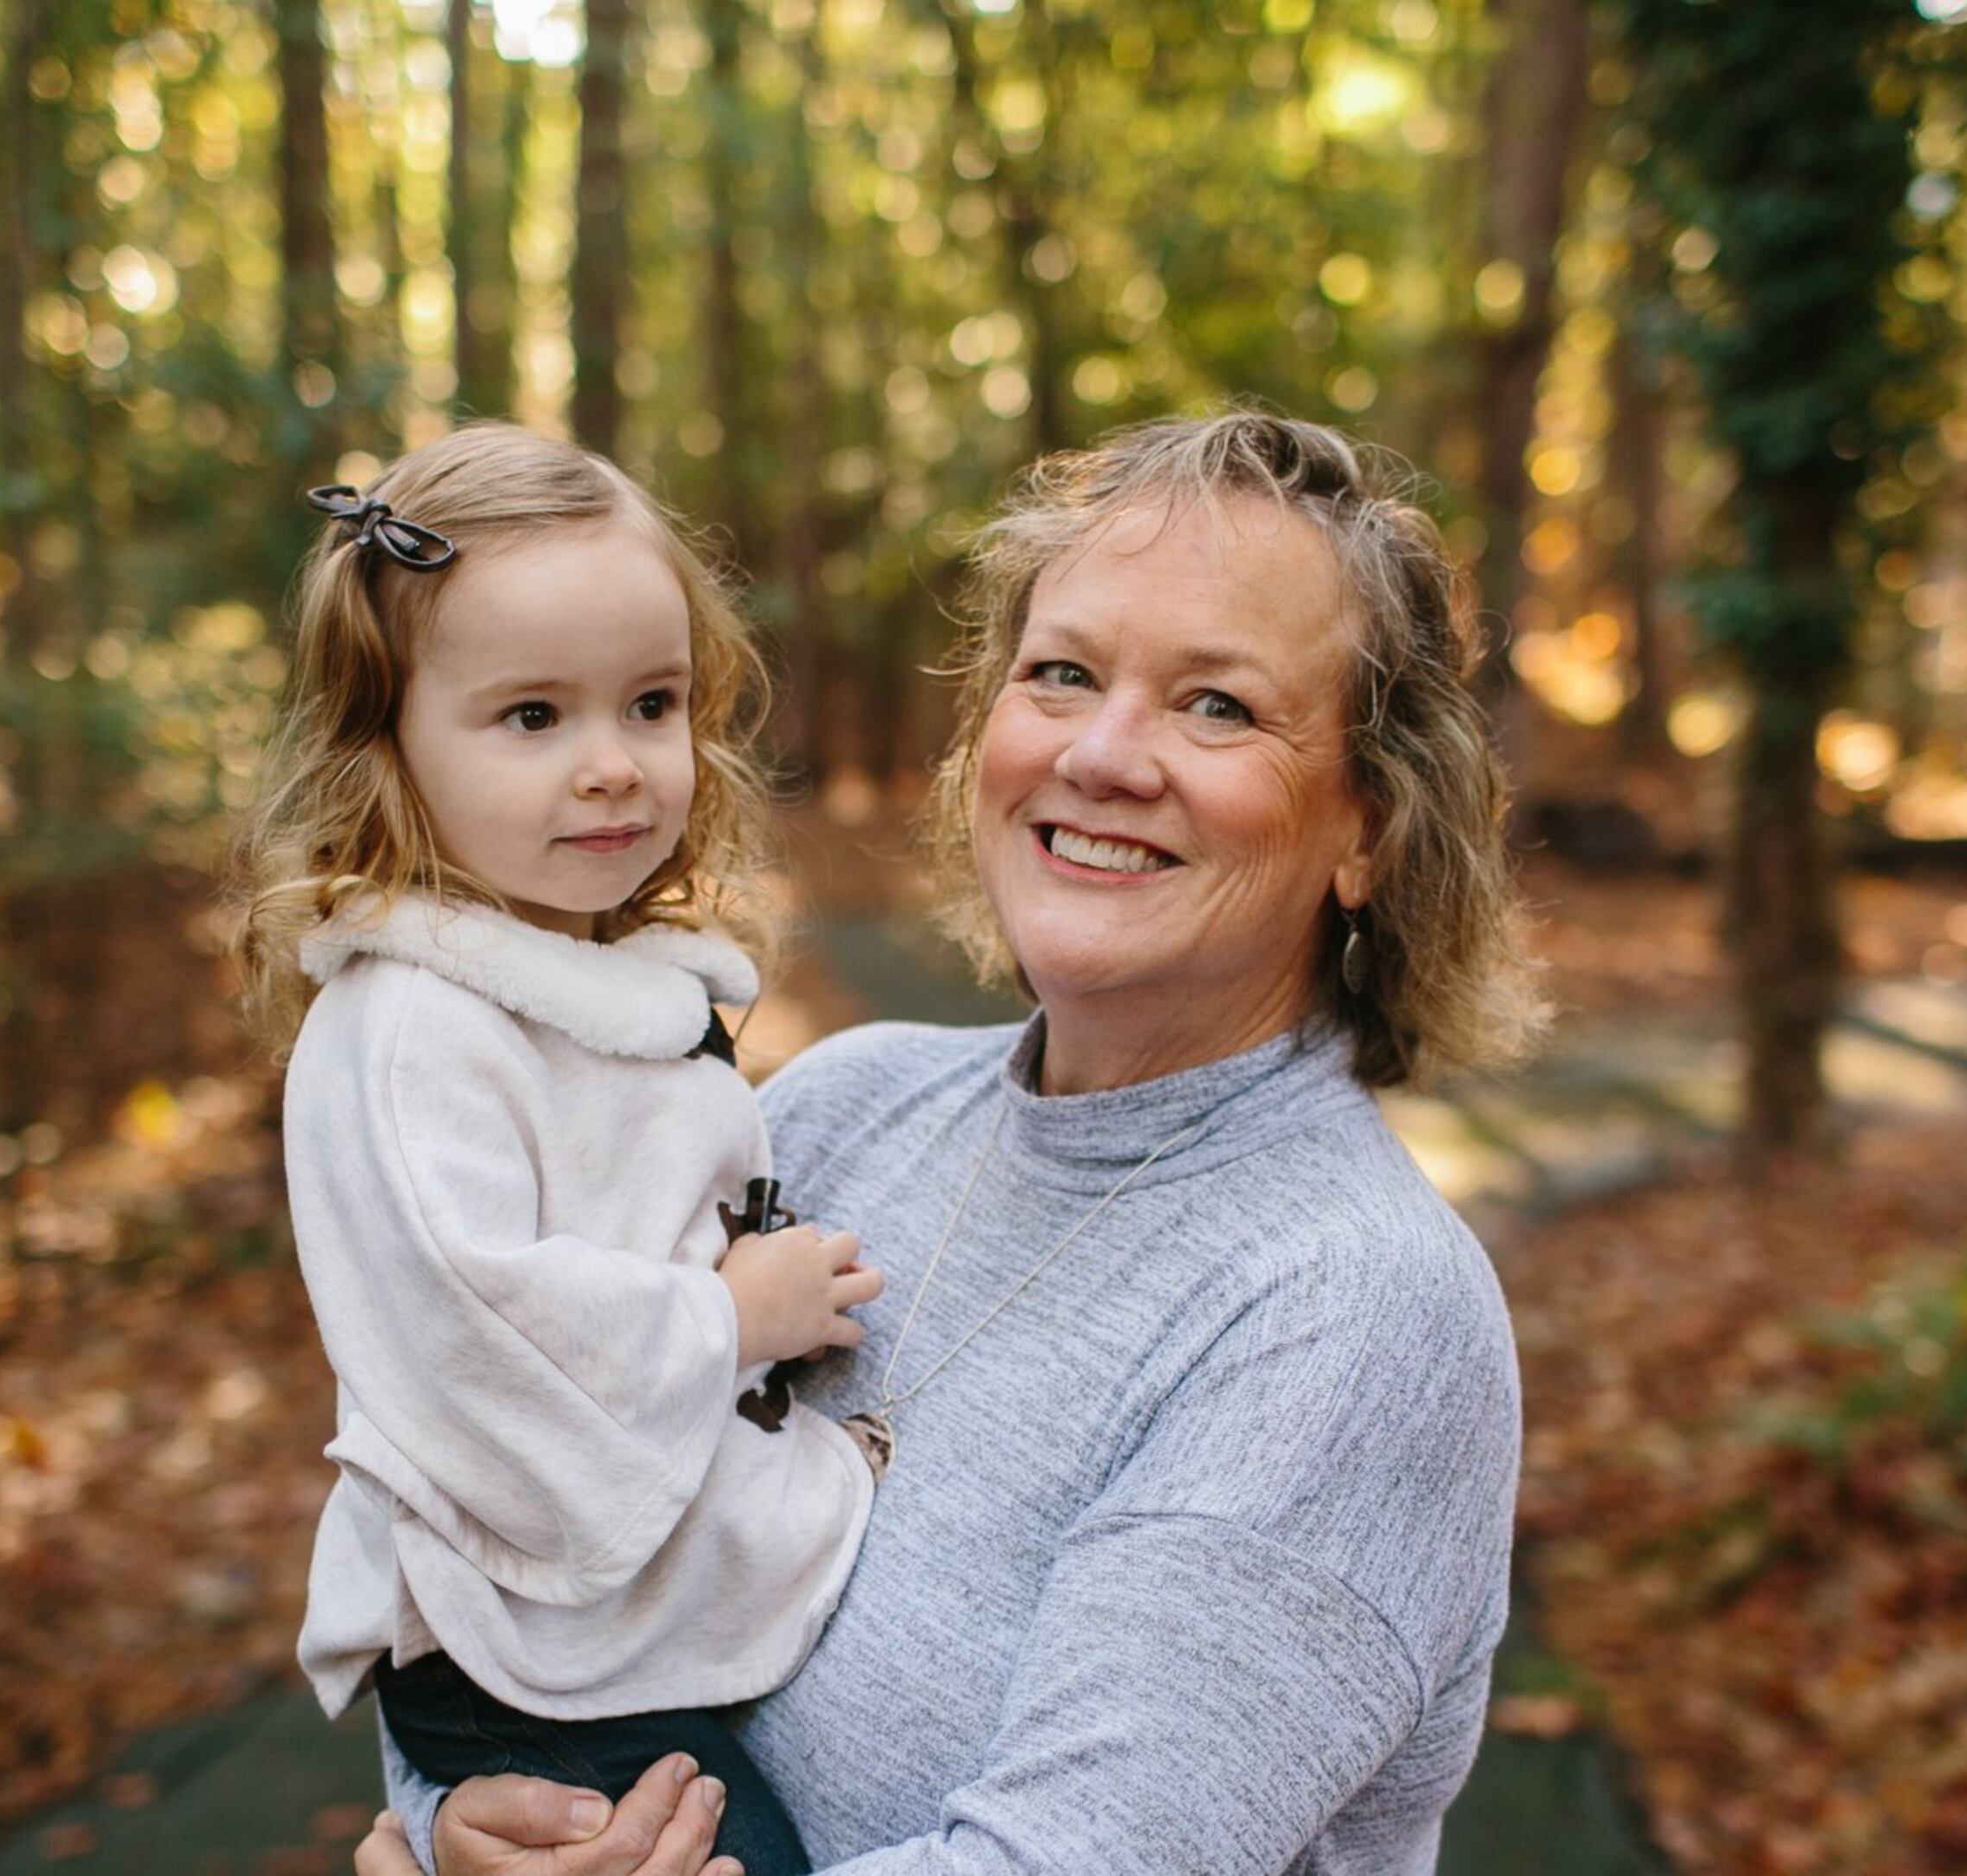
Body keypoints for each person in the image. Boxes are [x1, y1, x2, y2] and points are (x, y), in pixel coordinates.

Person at [357, 409, 1542, 1876]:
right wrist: (457, 1825)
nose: (1101, 754)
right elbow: (507, 1508)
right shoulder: (837, 1111)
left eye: (1217, 706)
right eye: (1062, 674)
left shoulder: (1354, 1308)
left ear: (1372, 824)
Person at [228, 423, 888, 1876]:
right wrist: (729, 1319)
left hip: (613, 1629)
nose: (611, 767)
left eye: (651, 703)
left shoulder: (598, 985)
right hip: (525, 1656)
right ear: (388, 738)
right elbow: (476, 1326)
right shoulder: (411, 1027)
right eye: (532, 716)